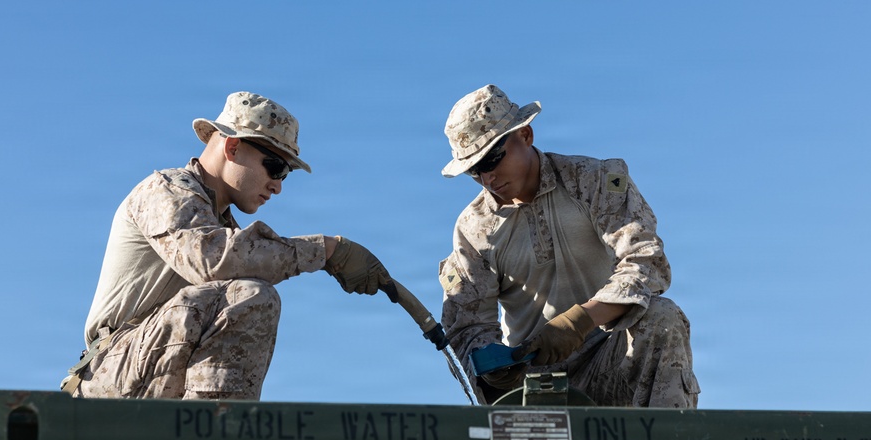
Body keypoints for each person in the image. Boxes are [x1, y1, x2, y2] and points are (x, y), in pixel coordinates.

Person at [62, 91, 391, 401]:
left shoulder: (221, 226)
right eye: (274, 167)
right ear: (232, 147)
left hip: (145, 371)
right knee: (250, 296)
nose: (277, 186)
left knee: (248, 293)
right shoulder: (166, 191)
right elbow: (212, 259)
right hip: (108, 376)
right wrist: (326, 249)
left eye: (285, 175)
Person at [437, 84, 700, 408]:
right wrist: (494, 367)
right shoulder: (474, 230)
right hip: (535, 386)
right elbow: (468, 323)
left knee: (663, 317)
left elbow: (646, 262)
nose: (488, 178)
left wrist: (581, 321)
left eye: (493, 158)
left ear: (525, 135)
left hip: (611, 361)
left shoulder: (594, 181)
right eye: (475, 170)